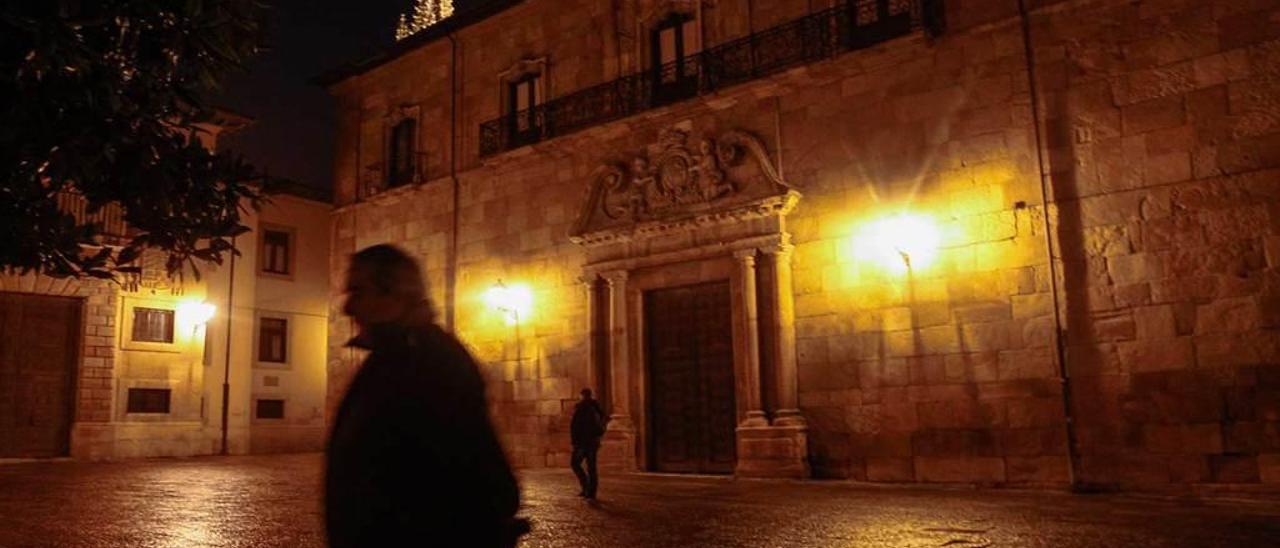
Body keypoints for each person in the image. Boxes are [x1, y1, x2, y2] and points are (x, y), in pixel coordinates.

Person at [326, 244, 527, 547]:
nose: (347, 307)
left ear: (395, 296)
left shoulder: (432, 363)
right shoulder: (390, 359)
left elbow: (479, 482)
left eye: (358, 291)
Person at [569, 388, 607, 499]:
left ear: (582, 395)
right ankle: (591, 491)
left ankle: (586, 487)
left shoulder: (582, 408)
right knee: (591, 467)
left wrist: (575, 441)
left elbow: (576, 426)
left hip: (583, 443)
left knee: (575, 463)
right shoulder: (596, 408)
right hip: (593, 442)